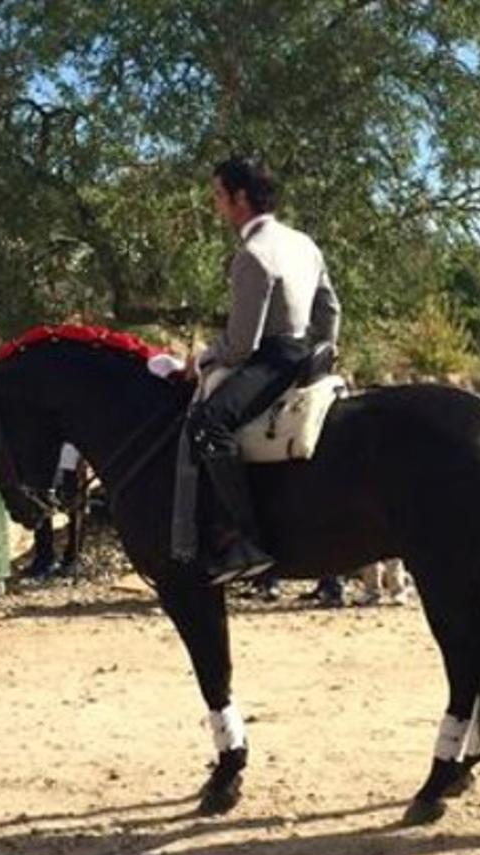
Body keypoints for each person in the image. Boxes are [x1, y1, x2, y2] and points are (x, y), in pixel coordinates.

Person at [186, 156, 341, 585]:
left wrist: (198, 357)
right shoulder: (303, 243)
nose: (216, 205)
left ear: (240, 198)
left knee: (208, 421)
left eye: (219, 195)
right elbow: (330, 307)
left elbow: (240, 347)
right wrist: (324, 352)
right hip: (307, 354)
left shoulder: (251, 255)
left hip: (271, 360)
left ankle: (247, 539)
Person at [23, 443, 84, 579]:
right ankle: (45, 559)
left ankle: (72, 558)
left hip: (69, 447)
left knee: (74, 499)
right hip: (48, 447)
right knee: (41, 496)